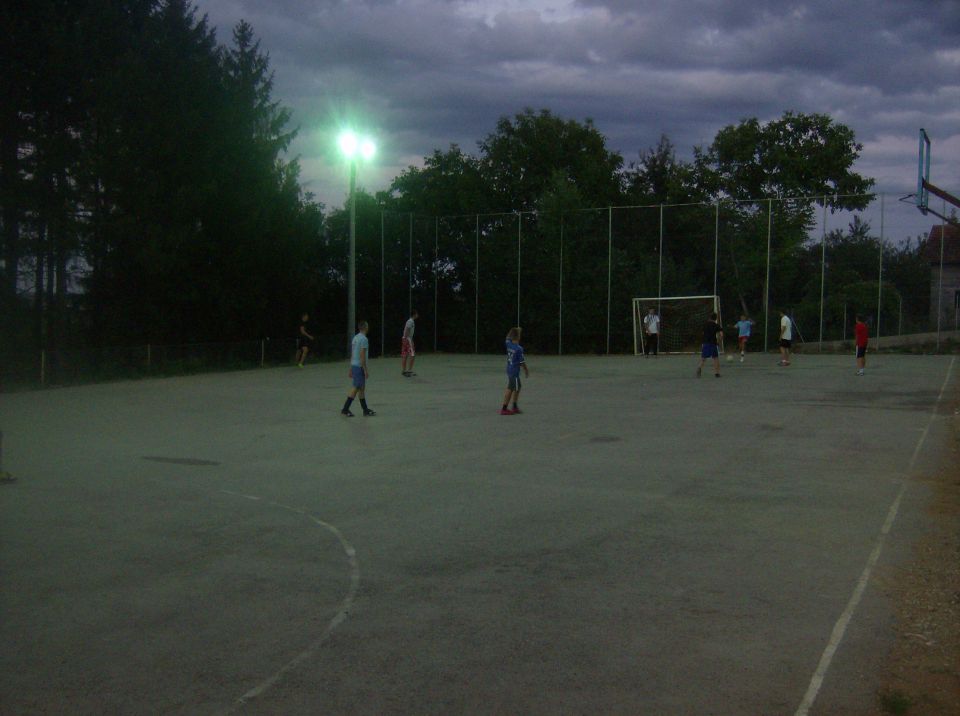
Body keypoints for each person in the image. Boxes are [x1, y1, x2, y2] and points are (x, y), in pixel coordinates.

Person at [341, 321, 375, 417]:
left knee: (361, 388)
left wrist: (351, 367)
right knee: (356, 388)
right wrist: (365, 369)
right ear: (365, 327)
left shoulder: (355, 338)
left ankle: (365, 409)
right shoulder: (364, 339)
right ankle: (345, 409)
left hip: (355, 365)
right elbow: (362, 355)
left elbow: (353, 353)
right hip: (359, 366)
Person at [501, 327, 529, 415]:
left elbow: (507, 337)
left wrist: (514, 331)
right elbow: (522, 362)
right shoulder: (519, 349)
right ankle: (504, 408)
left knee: (517, 387)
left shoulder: (508, 343)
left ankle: (514, 406)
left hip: (509, 369)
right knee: (511, 388)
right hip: (514, 371)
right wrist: (526, 370)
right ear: (518, 337)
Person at [696, 312, 723, 378]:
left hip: (706, 343)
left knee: (704, 358)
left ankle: (699, 367)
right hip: (713, 343)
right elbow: (721, 334)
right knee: (715, 358)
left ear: (709, 318)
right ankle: (717, 373)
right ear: (716, 319)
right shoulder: (716, 325)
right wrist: (719, 341)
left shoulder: (705, 324)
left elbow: (702, 333)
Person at [401, 309, 418, 377]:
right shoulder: (410, 321)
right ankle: (409, 370)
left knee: (405, 355)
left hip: (406, 338)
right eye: (417, 314)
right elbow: (407, 330)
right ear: (414, 314)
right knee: (412, 355)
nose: (417, 315)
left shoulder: (410, 321)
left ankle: (404, 371)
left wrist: (404, 338)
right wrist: (406, 339)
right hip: (408, 339)